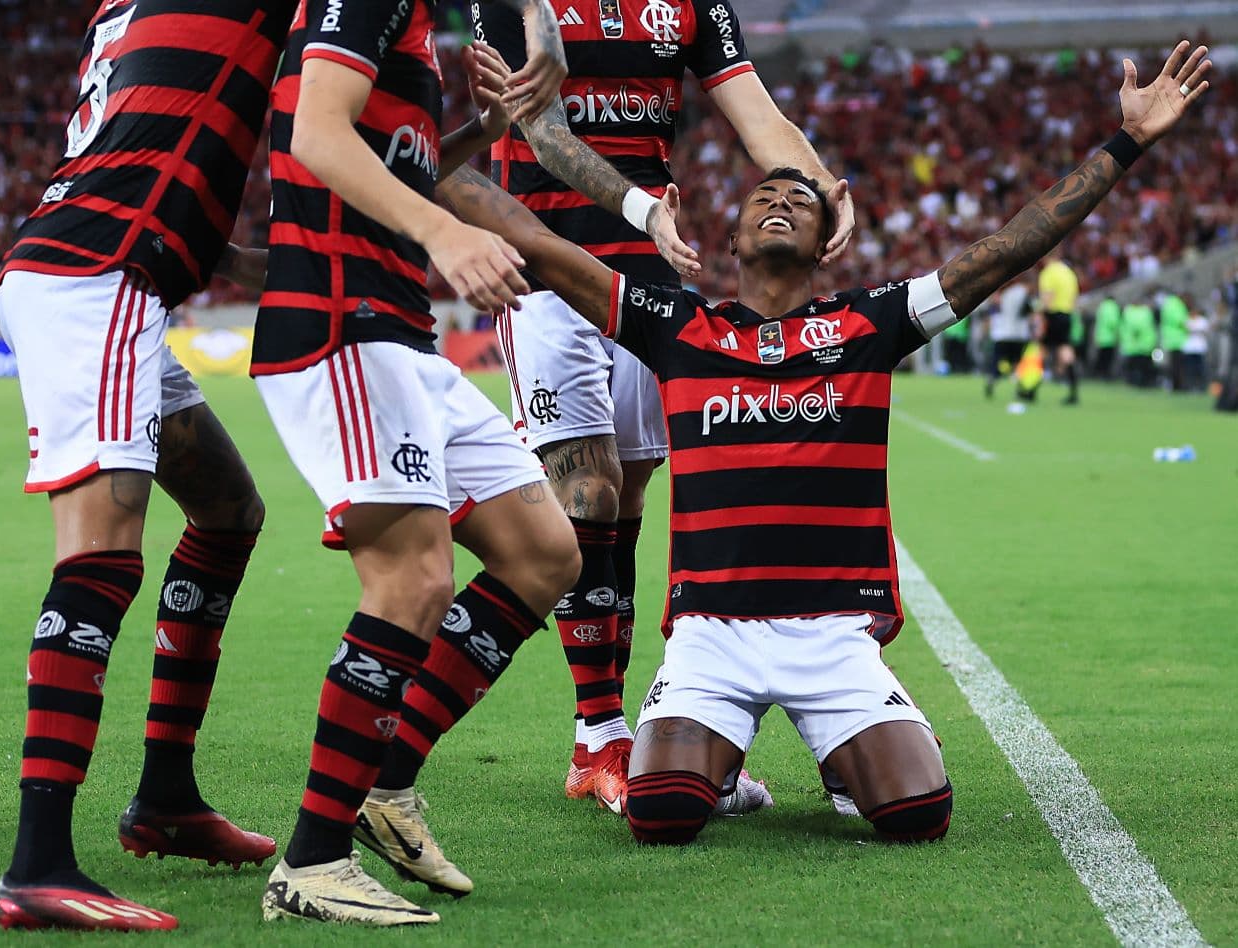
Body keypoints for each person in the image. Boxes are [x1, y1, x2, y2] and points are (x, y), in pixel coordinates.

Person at [437, 40, 1211, 846]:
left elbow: (1011, 248)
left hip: (832, 636)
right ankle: (720, 753)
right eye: (764, 195)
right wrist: (414, 150)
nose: (780, 201)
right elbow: (534, 240)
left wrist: (1127, 142)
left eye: (800, 200)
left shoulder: (870, 324)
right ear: (730, 241)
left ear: (823, 243)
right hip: (712, 638)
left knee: (917, 817)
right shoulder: (679, 327)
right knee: (660, 817)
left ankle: (839, 743)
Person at [472, 0, 853, 813]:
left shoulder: (690, 6)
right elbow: (543, 133)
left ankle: (612, 734)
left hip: (648, 278)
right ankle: (599, 731)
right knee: (588, 489)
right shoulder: (519, 5)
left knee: (629, 497)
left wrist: (821, 185)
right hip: (547, 265)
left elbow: (759, 116)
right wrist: (644, 207)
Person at [249, 0, 579, 928]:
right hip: (339, 325)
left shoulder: (414, 27)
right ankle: (312, 863)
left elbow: (390, 164)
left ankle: (383, 786)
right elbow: (318, 133)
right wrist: (445, 232)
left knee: (544, 555)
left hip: (404, 336)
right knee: (412, 578)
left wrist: (481, 132)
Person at [0, 0, 299, 931]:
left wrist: (225, 254)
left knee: (229, 511)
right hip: (100, 274)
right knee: (100, 557)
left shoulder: (123, 8)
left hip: (100, 265)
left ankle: (165, 798)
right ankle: (38, 865)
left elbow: (153, 133)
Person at [1039, 250, 1081, 403]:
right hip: (1067, 315)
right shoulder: (1069, 273)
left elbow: (1047, 298)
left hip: (1053, 315)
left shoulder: (1048, 272)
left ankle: (1030, 388)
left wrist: (1042, 316)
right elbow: (1075, 298)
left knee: (1041, 351)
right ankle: (1073, 390)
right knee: (1065, 350)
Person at [985, 279, 1031, 398]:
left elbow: (993, 308)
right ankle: (1018, 387)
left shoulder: (1001, 293)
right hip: (1019, 334)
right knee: (1017, 363)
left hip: (1002, 333)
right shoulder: (1023, 291)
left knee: (997, 360)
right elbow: (1028, 310)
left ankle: (992, 379)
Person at [1120, 295, 1159, 387]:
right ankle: (1143, 382)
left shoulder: (1128, 312)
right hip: (1144, 344)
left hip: (1132, 344)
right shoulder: (1146, 312)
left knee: (1134, 365)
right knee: (1143, 365)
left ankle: (1134, 381)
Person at [1160, 290, 1189, 391]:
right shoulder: (1177, 305)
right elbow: (1180, 321)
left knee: (1171, 364)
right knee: (1177, 365)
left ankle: (1170, 384)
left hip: (1168, 338)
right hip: (1177, 339)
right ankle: (1177, 386)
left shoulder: (1166, 304)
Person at [1093, 294, 1121, 378]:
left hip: (1101, 336)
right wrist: (1117, 333)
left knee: (1101, 357)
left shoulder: (1102, 306)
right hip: (1110, 337)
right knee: (1108, 358)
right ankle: (1105, 374)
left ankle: (1097, 373)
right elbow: (1113, 322)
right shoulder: (1113, 307)